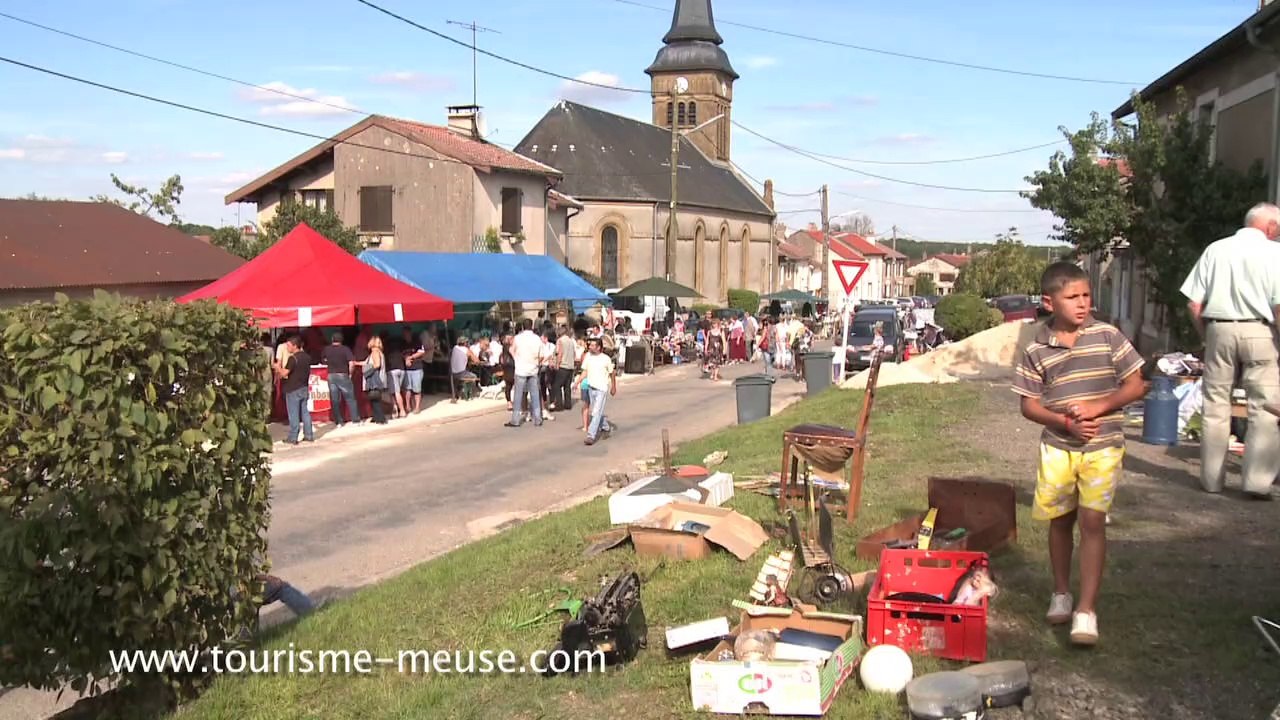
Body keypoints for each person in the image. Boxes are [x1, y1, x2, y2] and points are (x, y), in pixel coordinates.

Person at [1012, 262, 1145, 646]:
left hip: (1103, 447)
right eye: (1072, 297)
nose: (1083, 304)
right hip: (1058, 447)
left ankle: (1086, 611)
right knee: (1060, 520)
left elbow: (1136, 385)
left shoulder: (1107, 336)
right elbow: (1028, 406)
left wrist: (1097, 407)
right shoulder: (1036, 348)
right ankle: (1061, 592)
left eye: (1086, 295)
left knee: (1092, 521)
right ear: (1048, 301)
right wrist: (1064, 423)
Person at [1181, 202, 1280, 498]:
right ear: (1271, 227)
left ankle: (1211, 481)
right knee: (1265, 407)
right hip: (1261, 330)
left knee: (1215, 405)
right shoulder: (1276, 254)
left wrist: (1206, 336)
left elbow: (1193, 303)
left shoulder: (1215, 249)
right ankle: (1256, 483)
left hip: (1219, 328)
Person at [576, 336, 617, 446]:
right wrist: (577, 382)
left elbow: (612, 373)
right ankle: (605, 427)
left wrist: (614, 387)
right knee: (597, 411)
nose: (590, 347)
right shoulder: (588, 357)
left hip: (601, 389)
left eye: (593, 345)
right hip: (591, 388)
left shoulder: (606, 359)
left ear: (599, 347)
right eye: (590, 345)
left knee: (595, 412)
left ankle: (591, 435)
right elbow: (585, 371)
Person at [275, 336, 315, 444]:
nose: (287, 347)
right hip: (304, 387)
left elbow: (284, 373)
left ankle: (293, 437)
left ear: (295, 346)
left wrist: (277, 368)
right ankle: (309, 435)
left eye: (288, 345)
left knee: (293, 414)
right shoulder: (307, 357)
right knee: (305, 412)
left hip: (293, 389)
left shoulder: (293, 358)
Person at [507, 319, 546, 428]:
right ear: (532, 326)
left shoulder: (518, 338)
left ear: (523, 327)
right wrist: (536, 363)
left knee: (518, 395)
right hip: (533, 369)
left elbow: (512, 350)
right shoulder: (537, 339)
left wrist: (516, 358)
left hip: (520, 369)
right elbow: (542, 355)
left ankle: (515, 420)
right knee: (535, 395)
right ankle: (538, 419)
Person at [321, 333, 360, 426]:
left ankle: (339, 421)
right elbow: (351, 363)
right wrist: (350, 373)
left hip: (331, 375)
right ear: (341, 340)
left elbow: (323, 360)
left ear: (332, 339)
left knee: (335, 400)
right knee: (350, 398)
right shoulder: (345, 349)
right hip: (343, 374)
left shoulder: (327, 349)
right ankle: (355, 420)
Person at [361, 336, 389, 424]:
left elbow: (377, 365)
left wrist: (367, 372)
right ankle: (376, 417)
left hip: (375, 380)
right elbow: (367, 362)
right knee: (375, 399)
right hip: (380, 379)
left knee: (375, 399)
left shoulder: (375, 352)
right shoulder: (379, 353)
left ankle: (381, 419)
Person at [551, 325, 578, 412]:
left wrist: (557, 364)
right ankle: (568, 404)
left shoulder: (560, 341)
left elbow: (560, 353)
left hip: (563, 366)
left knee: (557, 386)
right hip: (570, 366)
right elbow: (574, 353)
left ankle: (559, 405)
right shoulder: (571, 341)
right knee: (567, 386)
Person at [402, 327, 426, 415]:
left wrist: (411, 357)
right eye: (403, 333)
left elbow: (422, 352)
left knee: (417, 389)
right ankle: (408, 406)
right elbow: (402, 354)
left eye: (406, 333)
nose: (404, 335)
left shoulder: (417, 341)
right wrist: (406, 359)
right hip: (407, 369)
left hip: (417, 368)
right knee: (407, 388)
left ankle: (417, 407)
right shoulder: (403, 343)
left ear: (409, 333)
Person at [449, 336, 477, 403]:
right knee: (474, 376)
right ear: (465, 343)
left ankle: (458, 392)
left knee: (462, 375)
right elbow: (476, 361)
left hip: (452, 373)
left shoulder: (454, 348)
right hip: (461, 373)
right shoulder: (467, 350)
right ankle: (469, 393)